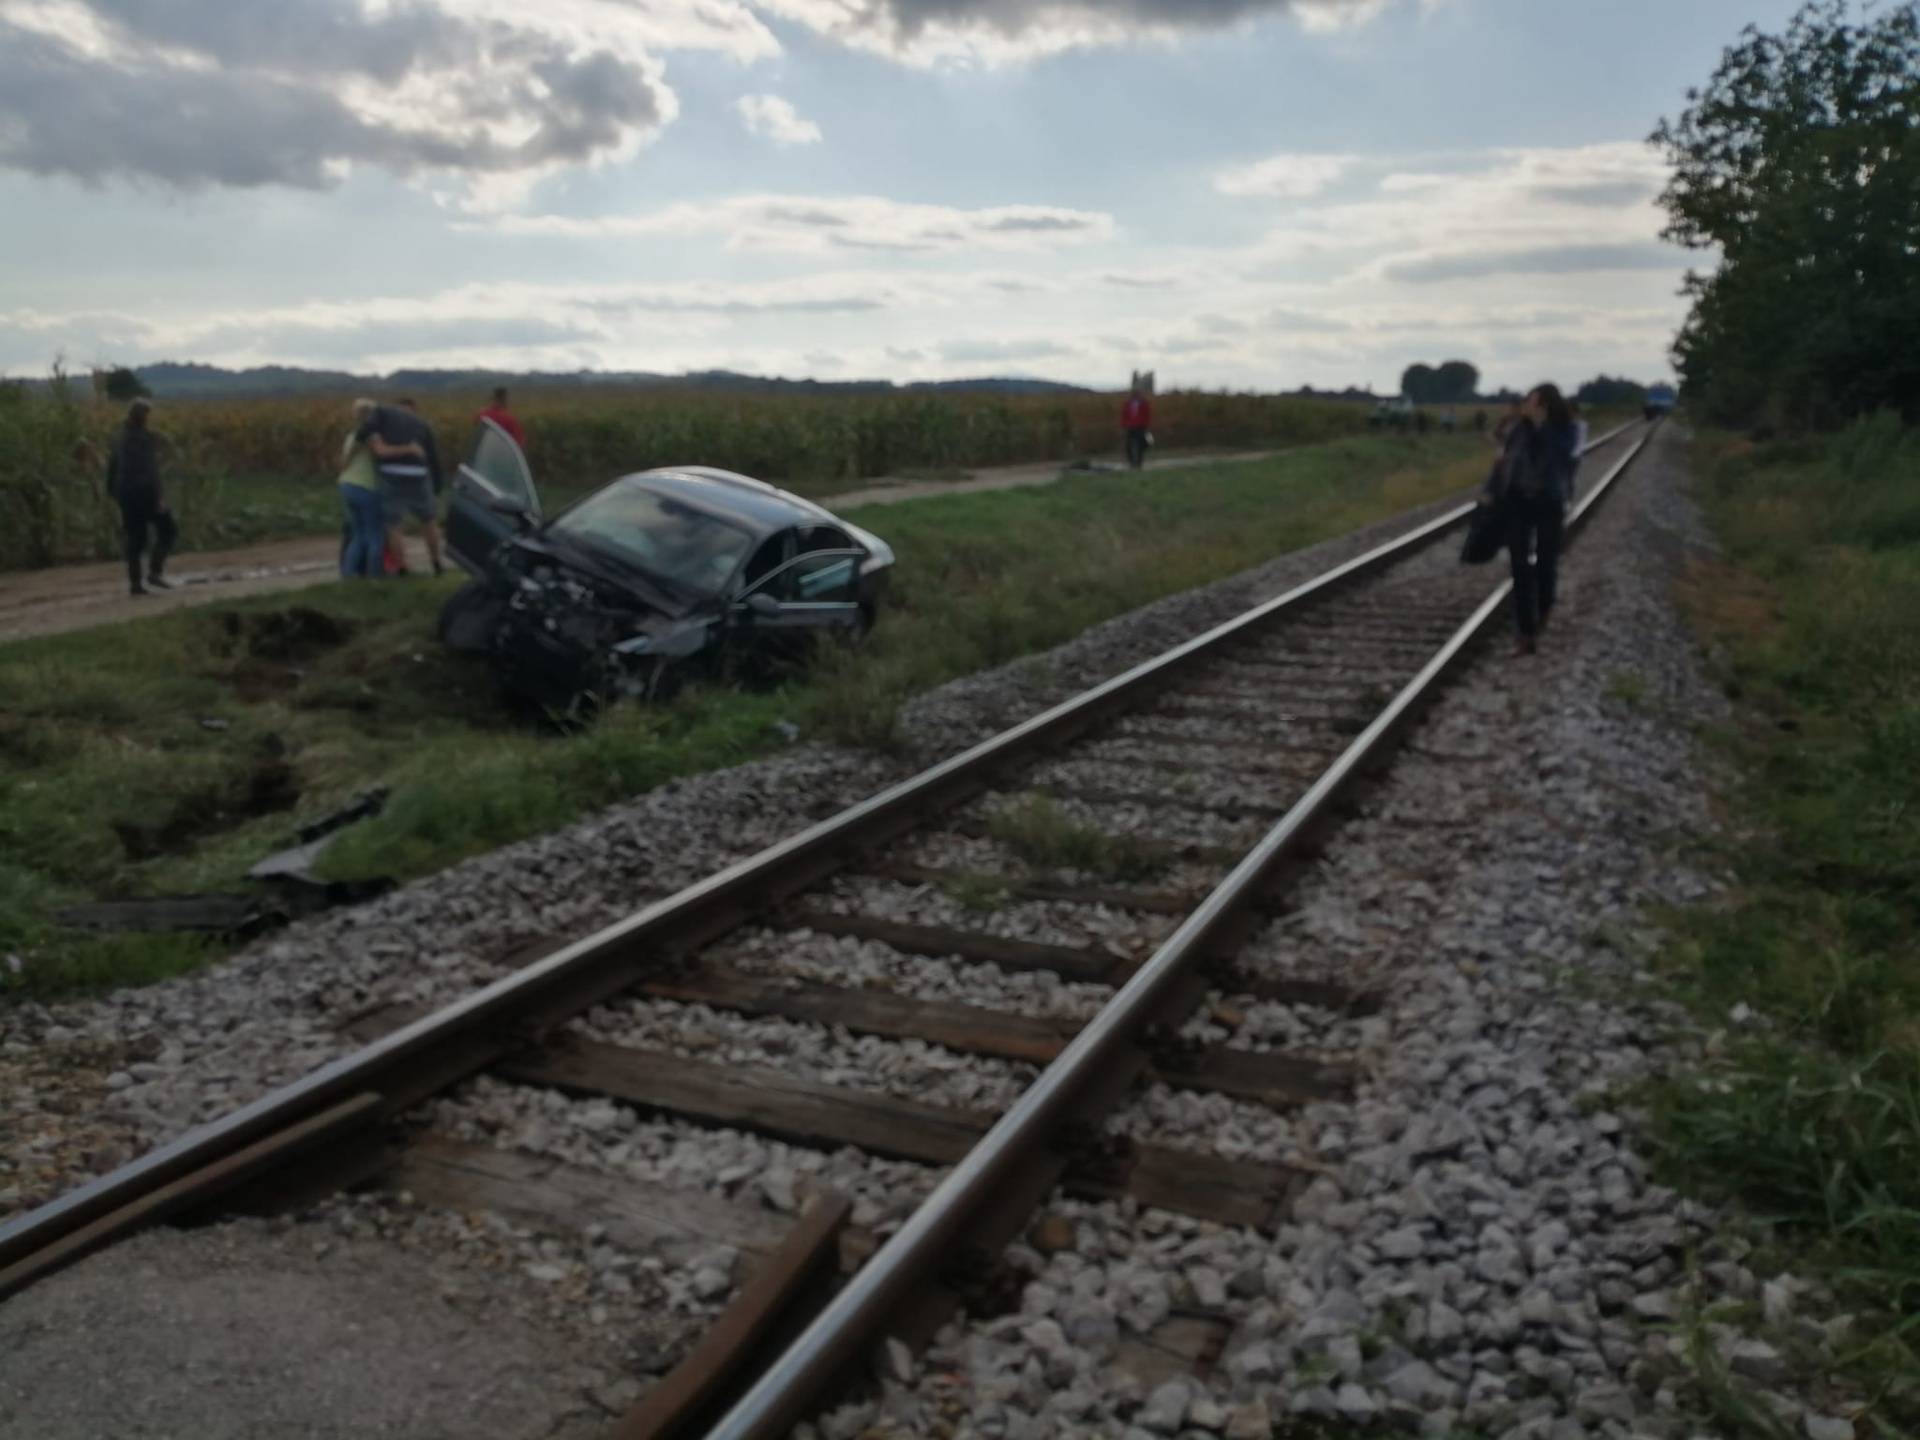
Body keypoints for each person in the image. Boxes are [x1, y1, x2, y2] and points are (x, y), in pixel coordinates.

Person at [1493, 384, 1578, 655]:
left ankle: (1544, 608)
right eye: (1527, 402)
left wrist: (1541, 428)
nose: (1528, 406)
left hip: (1549, 502)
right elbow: (1506, 452)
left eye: (1533, 402)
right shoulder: (1521, 428)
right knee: (1519, 566)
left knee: (1545, 563)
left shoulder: (1565, 429)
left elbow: (1559, 457)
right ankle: (1525, 634)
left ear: (1545, 405)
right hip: (1518, 501)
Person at [356, 399, 445, 577]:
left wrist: (367, 436)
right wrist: (437, 485)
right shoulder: (422, 423)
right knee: (428, 520)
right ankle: (436, 563)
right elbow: (433, 457)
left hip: (391, 472)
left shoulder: (380, 412)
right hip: (419, 472)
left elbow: (364, 430)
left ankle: (401, 566)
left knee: (394, 523)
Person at [104, 399, 177, 596]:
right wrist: (159, 496)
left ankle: (135, 583)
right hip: (144, 493)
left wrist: (113, 493)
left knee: (136, 538)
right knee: (168, 530)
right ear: (144, 416)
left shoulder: (120, 437)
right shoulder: (143, 439)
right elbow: (149, 470)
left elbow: (112, 469)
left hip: (125, 494)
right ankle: (155, 571)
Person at [337, 399, 385, 578]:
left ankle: (348, 574)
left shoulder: (351, 436)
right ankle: (374, 575)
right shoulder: (373, 437)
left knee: (358, 534)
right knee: (374, 534)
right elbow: (380, 457)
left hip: (347, 483)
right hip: (366, 486)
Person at [1121, 384, 1152, 470]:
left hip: (1140, 426)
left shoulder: (1144, 403)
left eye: (1137, 392)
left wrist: (1146, 425)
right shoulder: (1128, 403)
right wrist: (1124, 425)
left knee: (1141, 445)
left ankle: (1139, 463)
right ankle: (1131, 462)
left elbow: (1147, 415)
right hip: (1130, 426)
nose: (1136, 394)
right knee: (1128, 446)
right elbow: (1124, 415)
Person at [1566, 400, 1591, 501]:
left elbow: (1581, 442)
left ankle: (1568, 499)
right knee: (1568, 479)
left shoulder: (1581, 425)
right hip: (1570, 456)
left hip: (1574, 456)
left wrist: (1573, 454)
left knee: (1569, 479)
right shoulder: (1569, 424)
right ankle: (1567, 499)